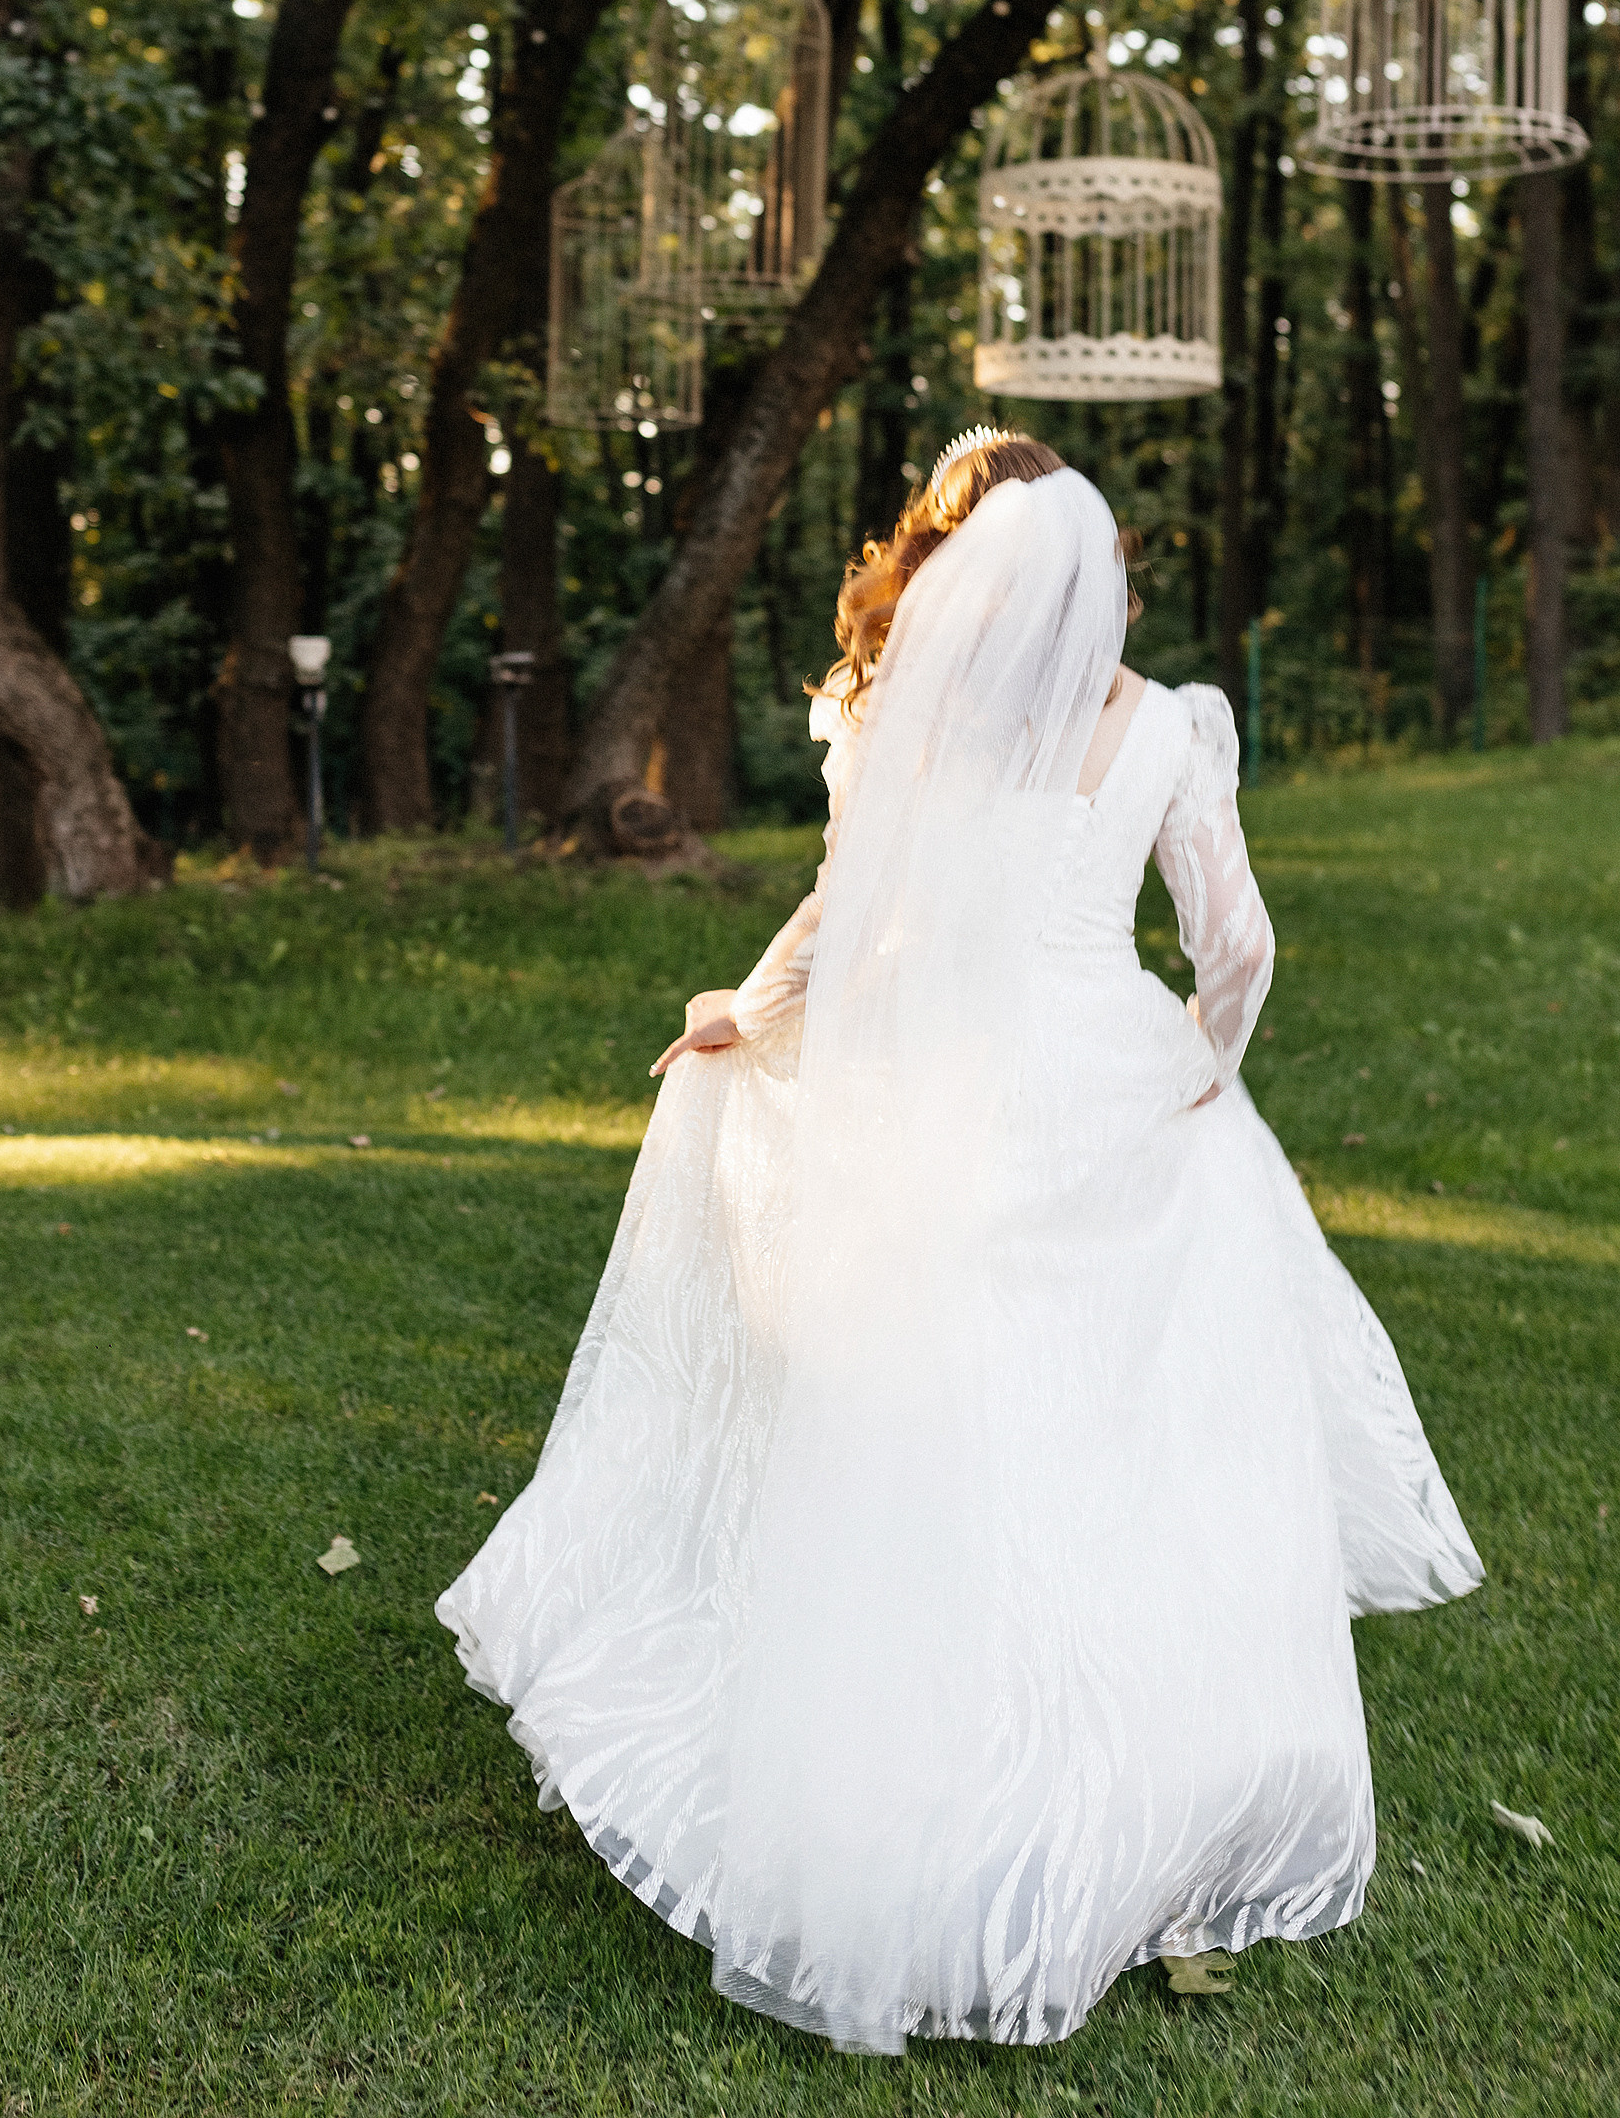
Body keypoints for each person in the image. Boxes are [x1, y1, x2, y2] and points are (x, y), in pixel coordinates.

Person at [437, 429, 1481, 2055]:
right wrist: (1206, 1064)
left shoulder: (918, 721)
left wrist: (750, 1004)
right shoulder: (1167, 730)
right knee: (1142, 1453)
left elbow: (853, 900)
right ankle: (1151, 1802)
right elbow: (1242, 944)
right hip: (1112, 1081)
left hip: (946, 1086)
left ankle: (926, 1802)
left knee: (942, 1436)